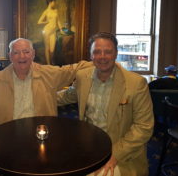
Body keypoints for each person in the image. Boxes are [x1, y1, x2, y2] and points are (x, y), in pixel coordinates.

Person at [58, 32, 154, 176]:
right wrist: (40, 96)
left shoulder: (136, 83)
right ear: (90, 55)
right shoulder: (83, 77)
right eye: (97, 52)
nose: (102, 57)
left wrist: (115, 155)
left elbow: (144, 127)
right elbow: (68, 95)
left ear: (116, 53)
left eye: (108, 52)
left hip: (121, 151)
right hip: (88, 146)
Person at [0, 38, 91, 132]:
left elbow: (74, 69)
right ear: (10, 56)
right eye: (16, 52)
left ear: (33, 54)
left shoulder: (48, 74)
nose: (22, 56)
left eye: (26, 52)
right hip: (8, 138)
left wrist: (98, 61)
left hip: (41, 137)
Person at [37, 0, 64, 65]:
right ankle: (49, 64)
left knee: (52, 50)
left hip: (53, 31)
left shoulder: (56, 11)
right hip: (47, 31)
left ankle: (52, 62)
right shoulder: (46, 12)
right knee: (47, 48)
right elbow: (39, 22)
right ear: (50, 2)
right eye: (54, 2)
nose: (54, 3)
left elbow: (58, 21)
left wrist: (61, 29)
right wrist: (46, 22)